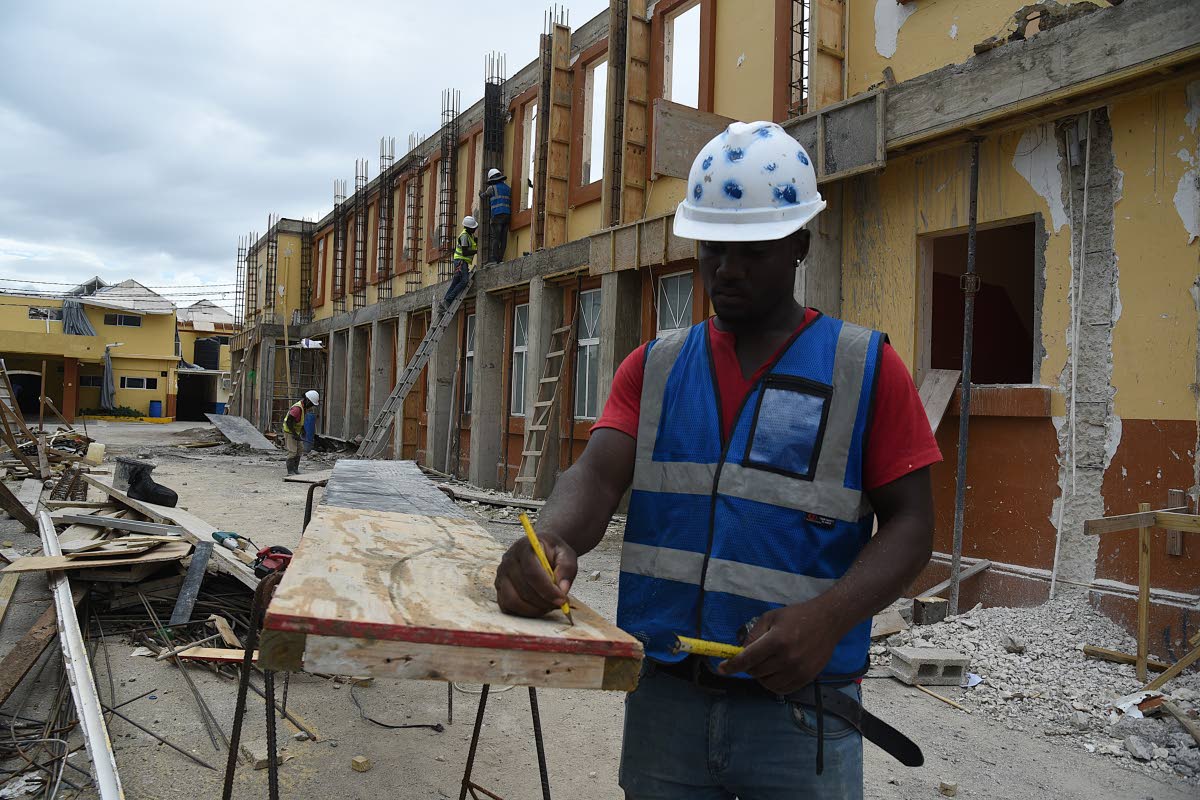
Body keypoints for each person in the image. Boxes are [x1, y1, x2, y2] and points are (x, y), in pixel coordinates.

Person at [494, 121, 941, 799]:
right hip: (665, 702)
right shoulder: (656, 366)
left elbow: (912, 525)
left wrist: (826, 618)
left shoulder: (865, 368)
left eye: (751, 249)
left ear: (799, 242)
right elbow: (594, 474)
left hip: (800, 712)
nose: (725, 268)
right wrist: (547, 539)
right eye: (712, 246)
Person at [439, 216, 478, 313]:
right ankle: (448, 300)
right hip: (461, 261)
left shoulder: (470, 235)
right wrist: (477, 251)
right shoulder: (464, 236)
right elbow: (465, 252)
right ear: (468, 228)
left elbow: (471, 243)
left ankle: (444, 303)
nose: (474, 229)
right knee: (464, 281)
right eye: (473, 228)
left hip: (461, 261)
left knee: (456, 282)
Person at [283, 389, 319, 477]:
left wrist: (302, 430)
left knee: (299, 450)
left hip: (295, 432)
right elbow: (289, 422)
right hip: (289, 431)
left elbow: (299, 420)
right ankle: (290, 471)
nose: (311, 406)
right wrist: (294, 434)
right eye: (311, 404)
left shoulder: (303, 407)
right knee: (292, 451)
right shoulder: (297, 408)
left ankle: (295, 469)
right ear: (307, 400)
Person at [479, 168, 512, 263]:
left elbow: (483, 196)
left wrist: (480, 193)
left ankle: (494, 258)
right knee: (504, 238)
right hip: (507, 215)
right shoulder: (507, 188)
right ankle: (501, 258)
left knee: (496, 238)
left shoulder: (491, 188)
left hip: (497, 216)